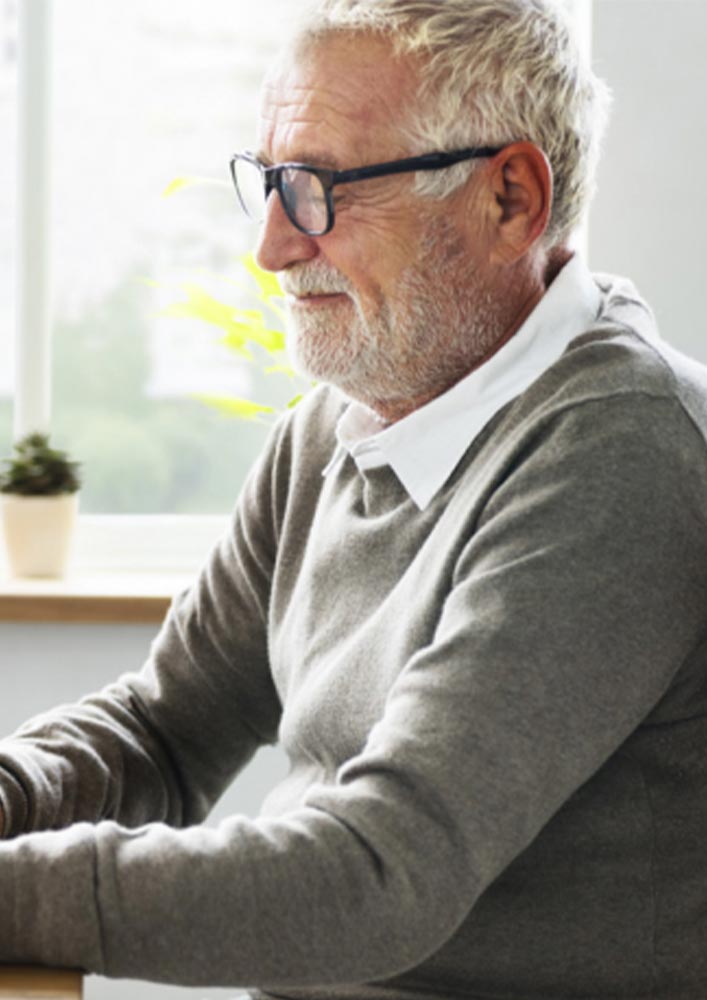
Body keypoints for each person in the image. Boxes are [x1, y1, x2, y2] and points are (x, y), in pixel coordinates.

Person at [2, 0, 707, 997]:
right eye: (268, 183)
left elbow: (379, 876)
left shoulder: (621, 451)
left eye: (319, 188)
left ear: (509, 199)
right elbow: (165, 731)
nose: (274, 247)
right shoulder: (340, 423)